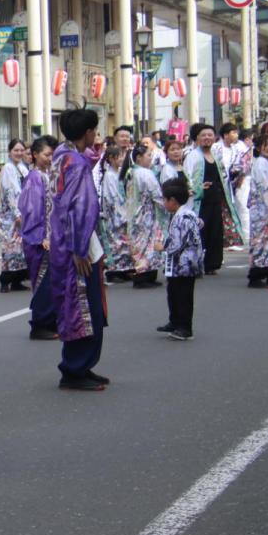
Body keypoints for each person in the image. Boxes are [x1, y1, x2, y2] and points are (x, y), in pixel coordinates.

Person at [50, 109, 111, 392]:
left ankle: (80, 365)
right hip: (78, 244)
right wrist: (79, 247)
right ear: (87, 132)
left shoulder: (61, 155)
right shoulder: (77, 163)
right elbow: (80, 207)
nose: (95, 136)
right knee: (85, 310)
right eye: (94, 131)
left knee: (74, 306)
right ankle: (75, 369)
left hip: (64, 240)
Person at [184, 123, 243, 274]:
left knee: (215, 232)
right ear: (196, 138)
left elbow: (223, 177)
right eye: (203, 135)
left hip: (216, 200)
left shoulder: (215, 156)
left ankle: (212, 264)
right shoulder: (192, 156)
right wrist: (197, 188)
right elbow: (187, 177)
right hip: (199, 202)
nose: (207, 138)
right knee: (200, 232)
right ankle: (197, 263)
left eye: (210, 135)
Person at [21, 136, 58, 339]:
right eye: (46, 154)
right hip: (40, 238)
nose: (49, 158)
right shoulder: (35, 177)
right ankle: (41, 323)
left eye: (52, 154)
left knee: (51, 282)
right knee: (44, 282)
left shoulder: (47, 175)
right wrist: (42, 235)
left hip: (50, 235)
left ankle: (50, 321)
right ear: (35, 155)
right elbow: (33, 210)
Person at [159, 179, 203, 341]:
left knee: (183, 295)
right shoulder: (186, 214)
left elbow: (177, 243)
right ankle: (175, 321)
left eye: (165, 199)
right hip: (178, 264)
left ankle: (185, 327)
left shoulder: (182, 217)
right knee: (173, 292)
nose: (163, 203)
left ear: (173, 201)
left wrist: (162, 247)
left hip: (185, 264)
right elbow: (200, 223)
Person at [127, 144, 165, 288]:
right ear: (139, 157)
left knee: (142, 245)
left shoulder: (131, 172)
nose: (151, 158)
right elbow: (156, 194)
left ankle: (146, 275)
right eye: (148, 155)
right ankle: (143, 276)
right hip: (146, 213)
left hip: (135, 213)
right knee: (147, 245)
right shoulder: (145, 173)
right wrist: (165, 207)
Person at [0, 140, 30, 292]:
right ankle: (5, 280)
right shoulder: (8, 168)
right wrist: (17, 213)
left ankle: (17, 279)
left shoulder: (22, 167)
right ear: (10, 151)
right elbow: (10, 192)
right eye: (16, 150)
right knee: (10, 247)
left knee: (20, 249)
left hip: (22, 211)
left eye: (21, 150)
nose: (19, 153)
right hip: (11, 214)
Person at [96, 146, 134, 284]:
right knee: (116, 243)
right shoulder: (109, 175)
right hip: (114, 215)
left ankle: (123, 268)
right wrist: (121, 214)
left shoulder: (116, 173)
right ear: (111, 158)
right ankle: (114, 270)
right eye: (119, 157)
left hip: (120, 211)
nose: (122, 159)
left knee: (122, 243)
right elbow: (112, 198)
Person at [246, 134, 268, 288]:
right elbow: (264, 186)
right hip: (262, 210)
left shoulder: (267, 162)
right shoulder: (260, 164)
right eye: (266, 145)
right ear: (258, 148)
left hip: (266, 210)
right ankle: (256, 276)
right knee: (260, 242)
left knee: (267, 242)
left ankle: (266, 273)